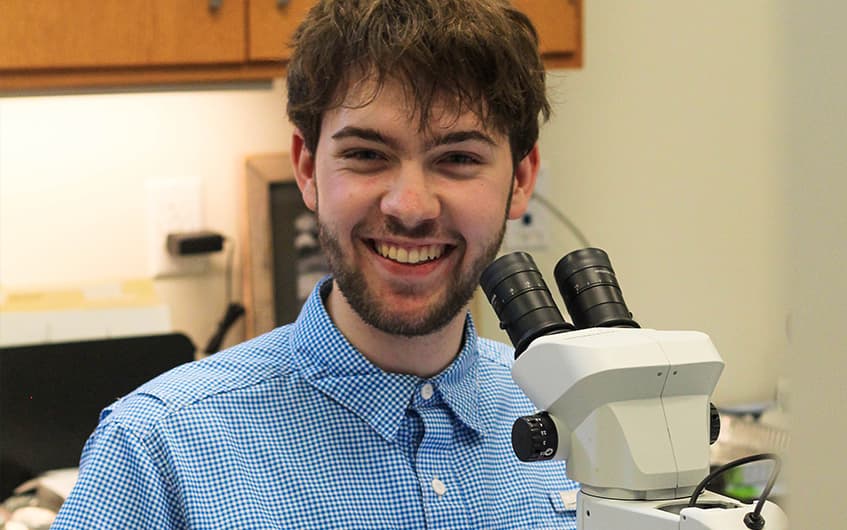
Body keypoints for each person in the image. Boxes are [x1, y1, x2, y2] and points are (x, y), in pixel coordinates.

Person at [52, 0, 577, 528]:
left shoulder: (580, 417)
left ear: (521, 180)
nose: (411, 207)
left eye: (459, 159)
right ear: (306, 167)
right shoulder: (156, 451)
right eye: (368, 155)